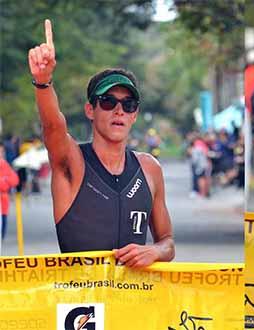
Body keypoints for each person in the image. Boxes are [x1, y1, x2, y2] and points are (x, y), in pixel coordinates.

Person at [28, 19, 174, 267]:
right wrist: (43, 81)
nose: (119, 111)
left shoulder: (150, 169)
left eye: (128, 105)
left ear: (134, 114)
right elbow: (53, 125)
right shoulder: (73, 162)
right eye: (108, 102)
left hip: (135, 301)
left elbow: (167, 242)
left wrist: (155, 252)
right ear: (90, 110)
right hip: (82, 302)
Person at [0, 143, 20, 240]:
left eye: (2, 152)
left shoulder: (5, 165)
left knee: (3, 227)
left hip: (3, 202)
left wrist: (5, 182)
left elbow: (15, 180)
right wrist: (4, 181)